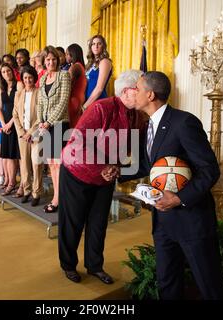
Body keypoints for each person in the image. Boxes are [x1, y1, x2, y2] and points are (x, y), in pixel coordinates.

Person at [119, 71, 223, 300]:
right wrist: (116, 172)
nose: (132, 93)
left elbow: (210, 170)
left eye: (136, 89)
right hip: (163, 222)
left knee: (210, 286)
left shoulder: (184, 122)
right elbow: (146, 167)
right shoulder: (146, 127)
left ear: (150, 95)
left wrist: (178, 198)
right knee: (167, 282)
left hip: (192, 220)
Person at [59, 70, 144, 284]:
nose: (145, 92)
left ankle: (94, 266)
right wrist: (104, 166)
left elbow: (139, 143)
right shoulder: (101, 107)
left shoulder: (136, 114)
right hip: (77, 171)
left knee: (98, 224)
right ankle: (68, 265)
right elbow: (77, 142)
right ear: (127, 91)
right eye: (140, 88)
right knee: (73, 222)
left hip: (105, 176)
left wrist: (117, 169)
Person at [37, 45, 71, 213]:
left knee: (58, 163)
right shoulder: (43, 78)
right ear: (44, 62)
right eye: (48, 60)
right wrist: (41, 122)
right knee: (51, 164)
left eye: (53, 59)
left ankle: (59, 199)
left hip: (59, 124)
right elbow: (40, 103)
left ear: (58, 61)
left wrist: (48, 122)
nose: (50, 62)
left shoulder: (64, 75)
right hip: (45, 126)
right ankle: (57, 197)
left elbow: (63, 101)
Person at [13, 66, 42, 206]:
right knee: (24, 165)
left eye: (30, 77)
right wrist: (22, 132)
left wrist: (30, 132)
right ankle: (26, 190)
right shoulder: (18, 94)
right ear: (22, 79)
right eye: (25, 78)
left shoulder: (40, 93)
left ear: (34, 78)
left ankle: (36, 193)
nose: (28, 80)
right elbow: (15, 115)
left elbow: (41, 115)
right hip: (22, 135)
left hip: (36, 133)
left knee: (36, 164)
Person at [0, 63, 22, 196]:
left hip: (17, 123)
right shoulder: (2, 88)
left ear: (12, 71)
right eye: (3, 72)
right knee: (10, 156)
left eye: (8, 71)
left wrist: (10, 123)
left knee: (19, 156)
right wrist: (4, 123)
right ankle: (11, 183)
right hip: (6, 124)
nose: (6, 73)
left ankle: (22, 185)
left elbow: (19, 107)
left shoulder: (20, 84)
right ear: (1, 75)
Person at [82, 35, 112, 110]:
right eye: (93, 44)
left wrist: (85, 106)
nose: (96, 46)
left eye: (99, 44)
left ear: (103, 46)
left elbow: (99, 88)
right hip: (88, 102)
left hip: (98, 103)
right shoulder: (90, 63)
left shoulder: (105, 62)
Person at [65, 43, 87, 128]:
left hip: (73, 100)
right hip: (79, 99)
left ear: (72, 54)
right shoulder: (80, 66)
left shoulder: (74, 67)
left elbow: (67, 84)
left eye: (67, 54)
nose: (65, 56)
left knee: (71, 128)